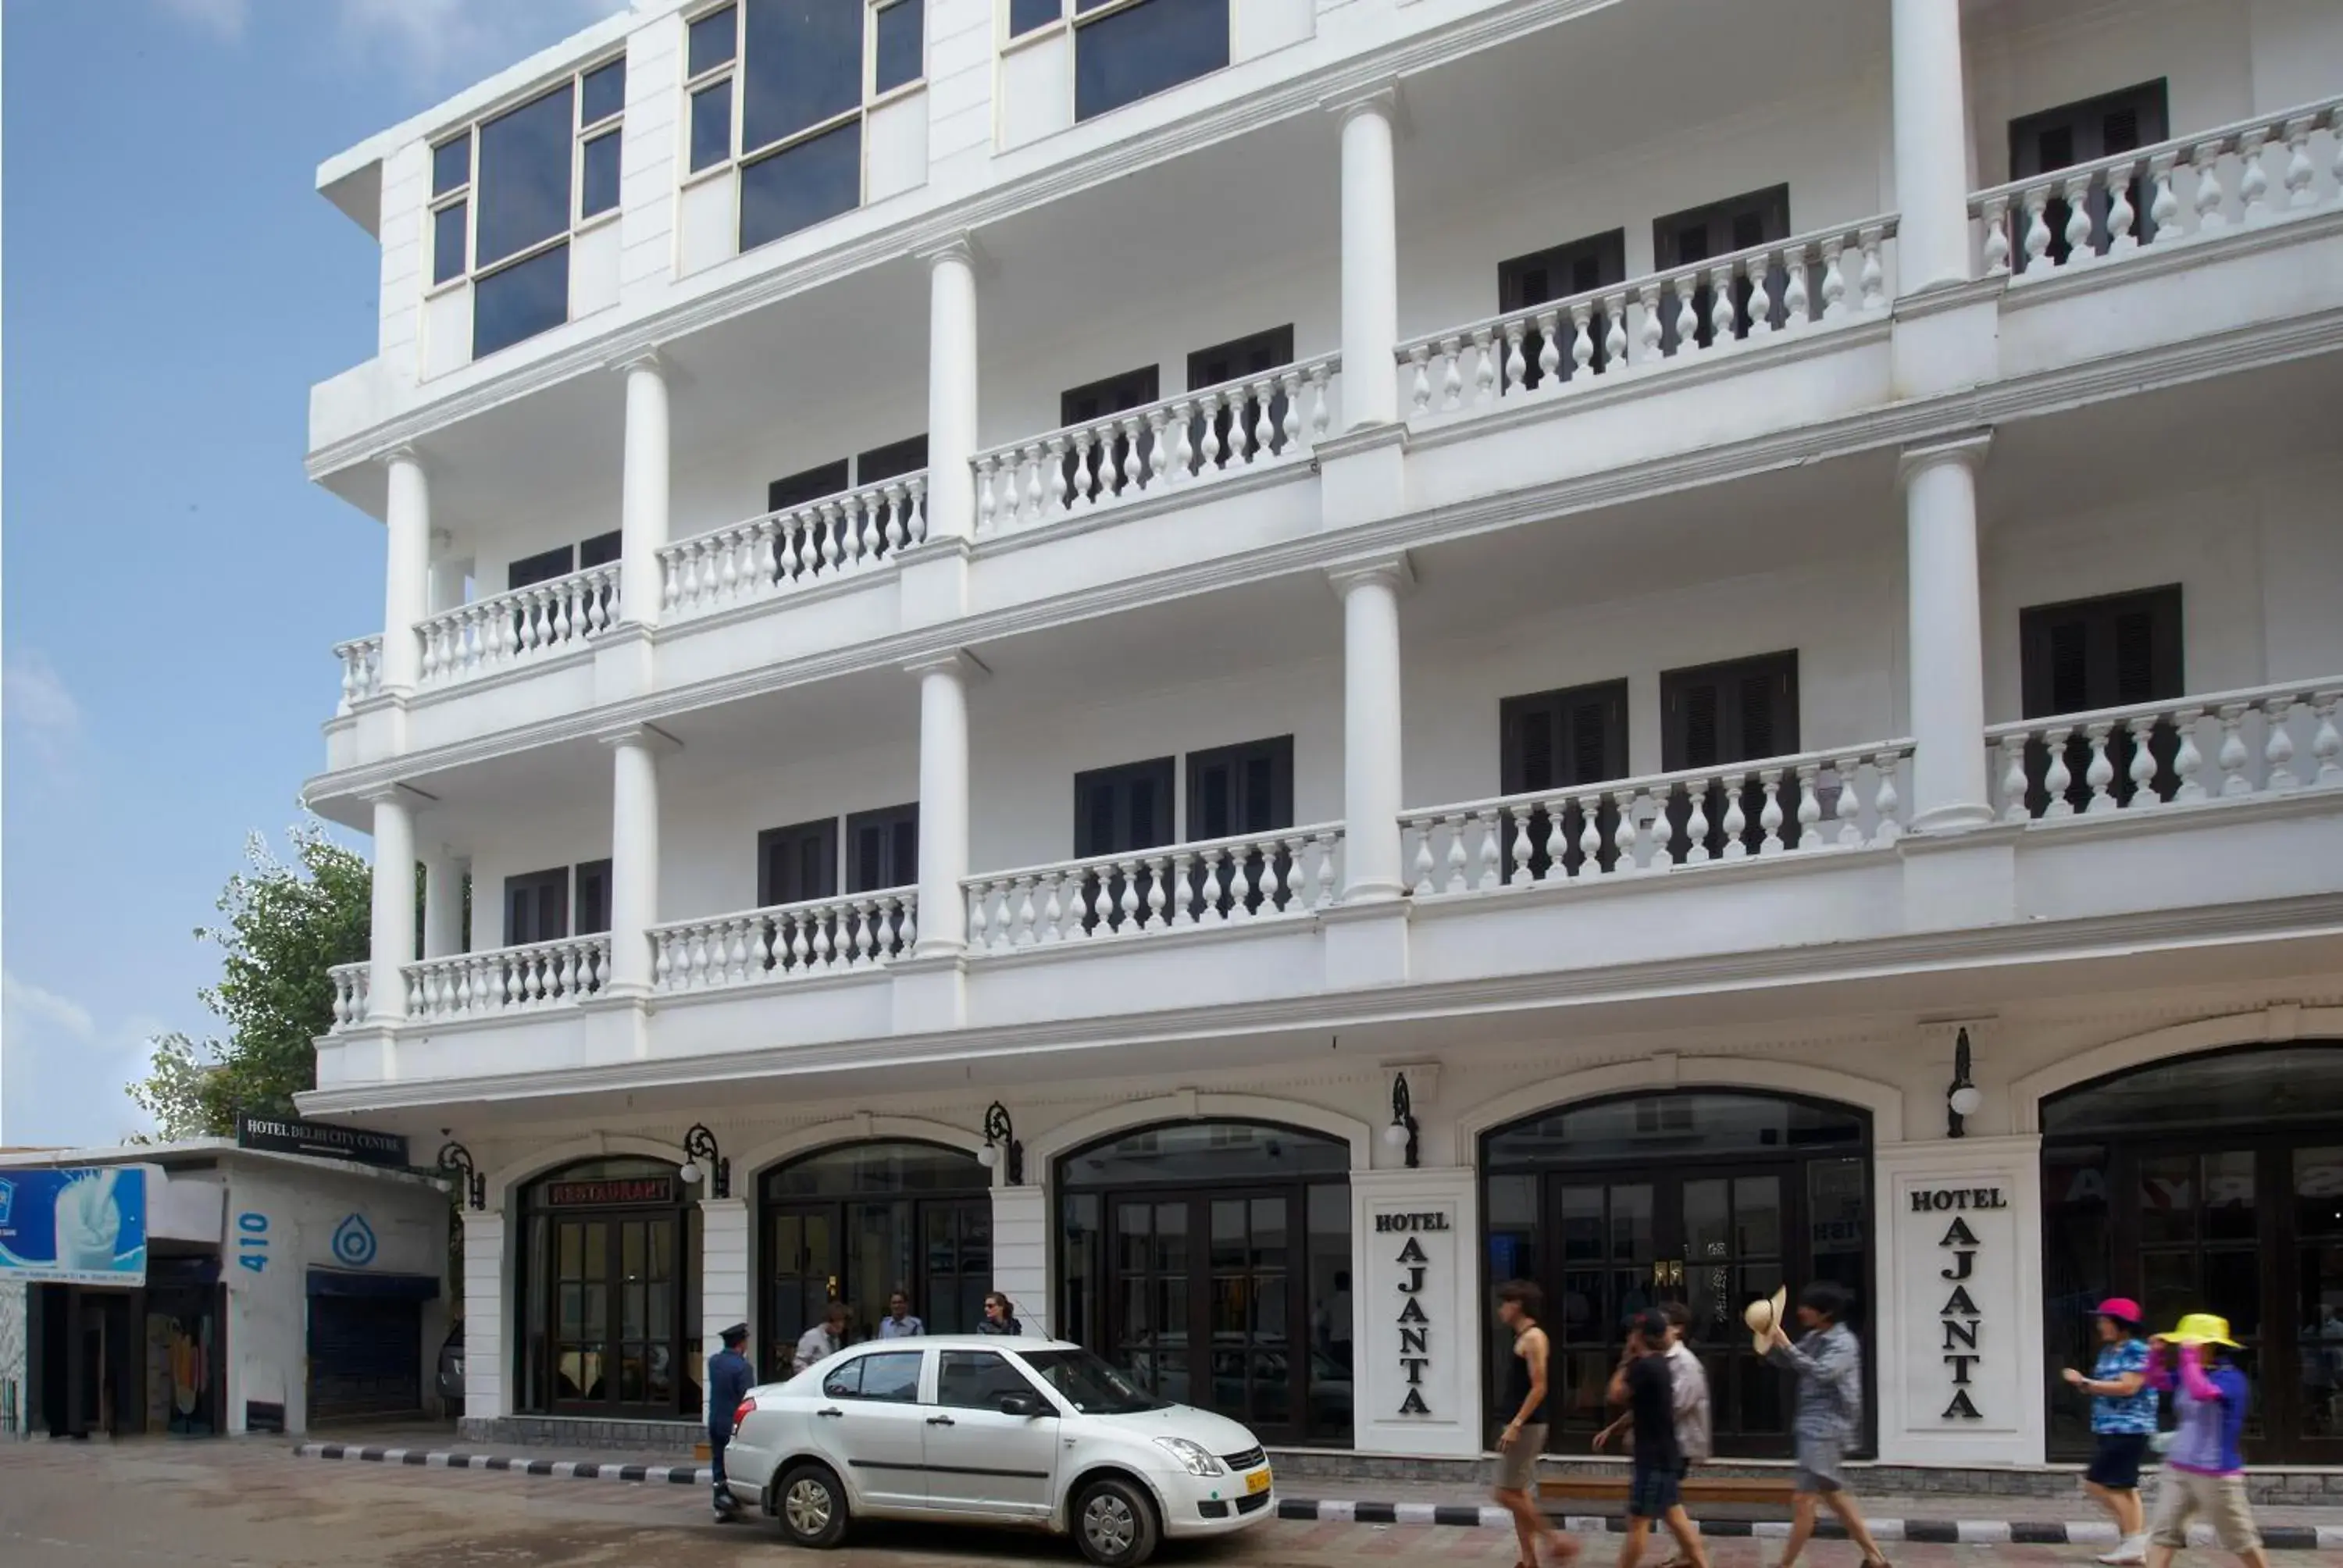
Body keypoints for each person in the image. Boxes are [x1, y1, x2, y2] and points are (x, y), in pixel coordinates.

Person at [1763, 1281, 1890, 1568]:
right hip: (1812, 1425)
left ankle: (1785, 1564)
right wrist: (1770, 1343)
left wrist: (1785, 1345)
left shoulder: (1843, 1343)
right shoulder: (1816, 1337)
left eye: (1807, 1307)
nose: (1801, 1312)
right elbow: (1789, 1362)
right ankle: (1876, 1557)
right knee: (1834, 1496)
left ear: (1826, 1313)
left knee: (1805, 1500)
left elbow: (1822, 1372)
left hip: (1827, 1427)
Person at [2142, 1314, 2270, 1568]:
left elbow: (2203, 1392)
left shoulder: (2231, 1378)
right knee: (2164, 1533)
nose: (2182, 1351)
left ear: (2210, 1346)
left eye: (2189, 1346)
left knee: (2240, 1538)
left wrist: (2189, 1359)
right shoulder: (2189, 1373)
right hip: (2178, 1467)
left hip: (2215, 1473)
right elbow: (2156, 1381)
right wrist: (2155, 1355)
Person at [1596, 1302, 1712, 1568]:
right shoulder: (1660, 1364)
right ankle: (1701, 1563)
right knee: (1673, 1516)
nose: (1628, 1338)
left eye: (1632, 1333)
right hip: (1661, 1453)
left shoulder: (1650, 1366)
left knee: (1639, 1520)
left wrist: (1626, 1359)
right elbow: (1645, 1406)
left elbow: (1614, 1394)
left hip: (1657, 1456)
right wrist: (1614, 1429)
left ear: (1640, 1336)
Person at [2062, 1297, 2155, 1565]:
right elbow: (2101, 1386)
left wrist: (2086, 1381)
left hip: (2129, 1428)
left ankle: (2135, 1539)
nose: (2100, 1325)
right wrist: (2083, 1384)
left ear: (2120, 1324)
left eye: (2104, 1320)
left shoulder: (2137, 1350)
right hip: (2109, 1426)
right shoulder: (2109, 1352)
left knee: (2097, 1484)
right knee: (2126, 1487)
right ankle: (2132, 1545)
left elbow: (2129, 1387)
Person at [1492, 1280, 1579, 1567]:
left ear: (1517, 1305)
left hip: (1528, 1425)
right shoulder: (1521, 1337)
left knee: (1504, 1493)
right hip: (1520, 1423)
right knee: (1517, 1493)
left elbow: (1539, 1387)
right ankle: (1529, 1560)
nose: (1500, 1309)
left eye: (1504, 1303)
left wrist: (1517, 1423)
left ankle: (1555, 1541)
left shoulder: (1534, 1337)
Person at [704, 1323, 754, 1521]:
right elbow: (747, 1397)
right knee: (735, 1464)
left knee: (718, 1463)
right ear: (741, 1343)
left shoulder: (714, 1362)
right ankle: (733, 1503)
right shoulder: (743, 1367)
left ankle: (720, 1505)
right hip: (733, 1423)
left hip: (715, 1420)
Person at [793, 1301, 849, 1373]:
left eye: (842, 1322)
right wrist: (811, 1376)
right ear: (828, 1321)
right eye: (837, 1322)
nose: (841, 1325)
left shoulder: (835, 1339)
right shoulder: (812, 1336)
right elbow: (799, 1363)